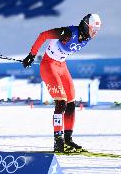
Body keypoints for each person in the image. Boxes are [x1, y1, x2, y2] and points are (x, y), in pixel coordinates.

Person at [22, 14, 102, 152]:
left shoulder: (86, 38)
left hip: (62, 66)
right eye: (92, 29)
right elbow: (43, 35)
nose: (94, 33)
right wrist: (32, 55)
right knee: (61, 103)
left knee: (71, 103)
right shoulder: (68, 32)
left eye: (96, 31)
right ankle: (58, 141)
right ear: (85, 26)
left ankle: (68, 140)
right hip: (49, 65)